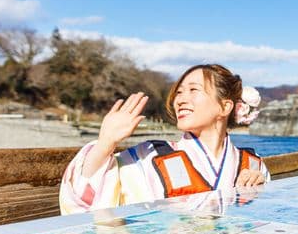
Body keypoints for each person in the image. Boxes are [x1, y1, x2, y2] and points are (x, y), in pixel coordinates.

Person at [60, 64, 269, 214]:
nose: (181, 100)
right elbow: (84, 196)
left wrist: (260, 190)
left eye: (193, 90)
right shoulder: (149, 156)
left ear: (225, 107)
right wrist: (105, 143)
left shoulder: (252, 163)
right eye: (178, 92)